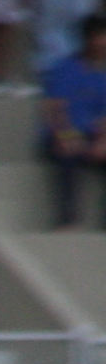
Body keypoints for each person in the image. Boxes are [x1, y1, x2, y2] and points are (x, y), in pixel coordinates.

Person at [44, 12, 106, 221]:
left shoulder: (102, 75)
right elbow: (54, 110)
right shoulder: (65, 68)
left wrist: (102, 141)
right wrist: (69, 137)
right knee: (67, 156)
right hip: (63, 135)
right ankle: (67, 220)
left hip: (90, 136)